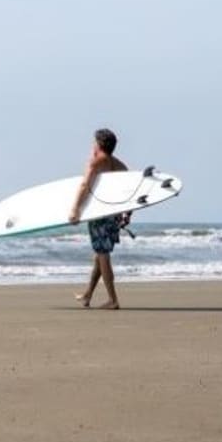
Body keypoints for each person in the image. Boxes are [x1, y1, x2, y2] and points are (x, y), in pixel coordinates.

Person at [69, 128, 130, 310]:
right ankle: (88, 295)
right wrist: (127, 213)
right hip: (113, 214)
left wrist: (75, 209)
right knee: (99, 255)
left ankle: (113, 300)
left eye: (93, 142)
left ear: (98, 144)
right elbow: (129, 190)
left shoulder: (95, 162)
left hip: (100, 215)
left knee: (103, 255)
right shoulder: (120, 165)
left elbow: (84, 185)